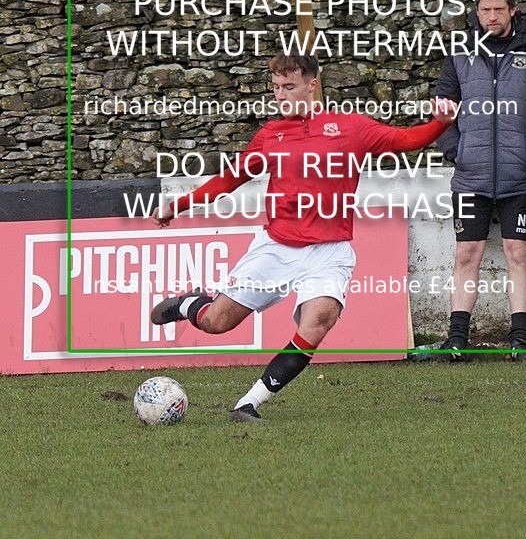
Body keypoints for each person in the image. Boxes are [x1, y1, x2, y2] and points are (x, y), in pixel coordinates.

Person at [151, 50, 456, 421]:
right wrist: (177, 206)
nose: (281, 95)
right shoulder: (271, 135)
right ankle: (187, 306)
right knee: (217, 323)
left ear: (312, 86)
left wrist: (439, 122)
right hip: (276, 247)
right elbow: (229, 181)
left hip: (329, 251)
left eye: (289, 86)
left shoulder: (350, 128)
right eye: (276, 87)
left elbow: (405, 141)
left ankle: (249, 402)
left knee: (319, 320)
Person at [435, 0, 526, 360]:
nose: (491, 17)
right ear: (476, 13)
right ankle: (457, 338)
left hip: (519, 178)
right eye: (485, 10)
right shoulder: (459, 51)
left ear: (513, 10)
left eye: (498, 9)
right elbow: (443, 112)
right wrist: (457, 153)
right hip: (471, 175)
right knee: (467, 254)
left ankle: (520, 338)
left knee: (518, 253)